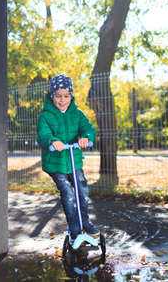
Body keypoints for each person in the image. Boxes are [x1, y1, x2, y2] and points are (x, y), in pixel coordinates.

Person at [37, 74, 100, 240]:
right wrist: (52, 140)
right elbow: (43, 134)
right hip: (56, 164)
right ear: (52, 96)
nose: (62, 100)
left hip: (74, 161)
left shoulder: (77, 114)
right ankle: (74, 227)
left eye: (66, 96)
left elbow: (88, 128)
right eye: (58, 96)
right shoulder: (45, 115)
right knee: (67, 192)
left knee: (82, 191)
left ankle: (84, 222)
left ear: (71, 96)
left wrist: (86, 136)